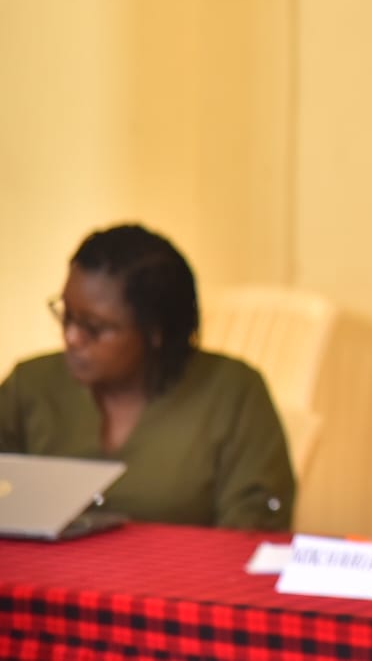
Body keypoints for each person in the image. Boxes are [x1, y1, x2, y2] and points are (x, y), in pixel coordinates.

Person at [0, 223, 295, 530]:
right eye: (67, 315)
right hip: (41, 578)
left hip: (182, 576)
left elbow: (251, 534)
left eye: (95, 327)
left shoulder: (233, 393)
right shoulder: (30, 385)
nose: (72, 337)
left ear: (156, 331)